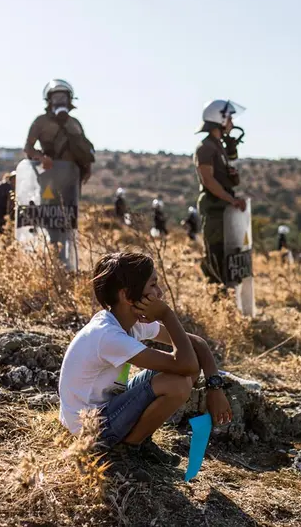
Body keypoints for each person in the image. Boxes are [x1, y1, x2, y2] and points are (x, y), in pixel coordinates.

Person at [57, 252, 233, 469]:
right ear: (127, 296)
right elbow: (186, 364)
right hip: (90, 426)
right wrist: (167, 315)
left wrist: (215, 386)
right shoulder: (108, 335)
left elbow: (196, 344)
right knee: (177, 384)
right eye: (153, 285)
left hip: (108, 406)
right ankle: (125, 450)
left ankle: (138, 441)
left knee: (182, 375)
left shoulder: (128, 321)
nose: (159, 293)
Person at [194, 100, 247, 283]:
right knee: (216, 253)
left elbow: (231, 179)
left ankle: (227, 295)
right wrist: (230, 200)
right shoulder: (206, 147)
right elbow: (207, 180)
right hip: (215, 208)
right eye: (229, 117)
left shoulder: (219, 147)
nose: (232, 122)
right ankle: (216, 295)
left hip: (223, 206)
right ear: (221, 118)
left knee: (229, 253)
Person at [24, 79, 95, 184]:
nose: (60, 101)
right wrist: (42, 158)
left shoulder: (75, 123)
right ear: (49, 100)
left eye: (63, 98)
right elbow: (28, 147)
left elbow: (84, 147)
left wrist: (87, 169)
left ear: (69, 100)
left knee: (71, 200)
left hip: (71, 175)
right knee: (47, 199)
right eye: (55, 98)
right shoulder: (41, 122)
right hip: (48, 173)